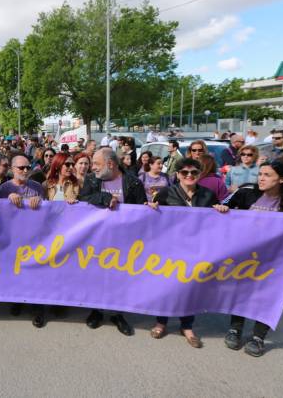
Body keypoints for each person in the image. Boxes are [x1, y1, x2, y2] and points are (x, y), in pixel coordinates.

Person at [219, 160, 283, 357]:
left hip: (276, 260)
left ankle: (258, 337)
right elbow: (222, 205)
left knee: (268, 296)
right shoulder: (247, 192)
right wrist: (221, 209)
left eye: (267, 175)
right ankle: (235, 329)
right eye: (260, 174)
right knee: (241, 293)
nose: (261, 178)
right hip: (245, 257)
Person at [148, 158, 225, 348]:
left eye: (193, 172)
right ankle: (161, 322)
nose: (189, 175)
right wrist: (150, 207)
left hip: (196, 249)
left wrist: (221, 209)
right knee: (166, 285)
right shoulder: (166, 193)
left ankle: (187, 326)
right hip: (170, 248)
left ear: (199, 174)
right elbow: (152, 219)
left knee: (190, 287)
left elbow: (216, 222)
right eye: (184, 172)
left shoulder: (208, 195)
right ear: (177, 175)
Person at [79, 147, 147, 336]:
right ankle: (96, 310)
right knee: (96, 276)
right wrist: (105, 197)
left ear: (110, 164)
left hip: (124, 241)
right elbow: (84, 198)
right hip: (98, 239)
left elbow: (141, 209)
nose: (93, 168)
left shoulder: (133, 182)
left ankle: (118, 313)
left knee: (120, 278)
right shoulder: (92, 180)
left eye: (97, 164)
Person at [0, 154, 46, 327]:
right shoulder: (3, 188)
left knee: (35, 272)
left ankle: (37, 307)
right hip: (14, 238)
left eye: (28, 167)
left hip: (34, 238)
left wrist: (40, 201)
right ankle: (17, 300)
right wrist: (7, 200)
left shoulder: (37, 187)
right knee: (16, 271)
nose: (25, 170)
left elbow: (47, 211)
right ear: (12, 169)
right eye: (21, 168)